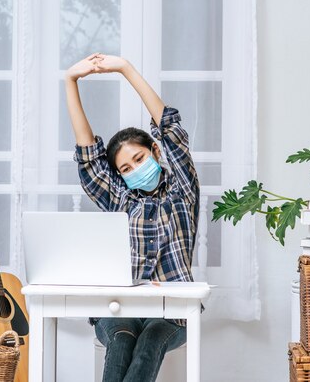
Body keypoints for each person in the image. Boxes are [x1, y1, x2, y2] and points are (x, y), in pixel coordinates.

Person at [65, 52, 200, 382]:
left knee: (149, 342)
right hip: (119, 308)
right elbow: (88, 160)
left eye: (139, 159)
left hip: (170, 313)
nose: (135, 170)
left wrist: (125, 68)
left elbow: (170, 129)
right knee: (123, 339)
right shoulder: (119, 198)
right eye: (126, 168)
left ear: (155, 152)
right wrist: (70, 81)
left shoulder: (183, 191)